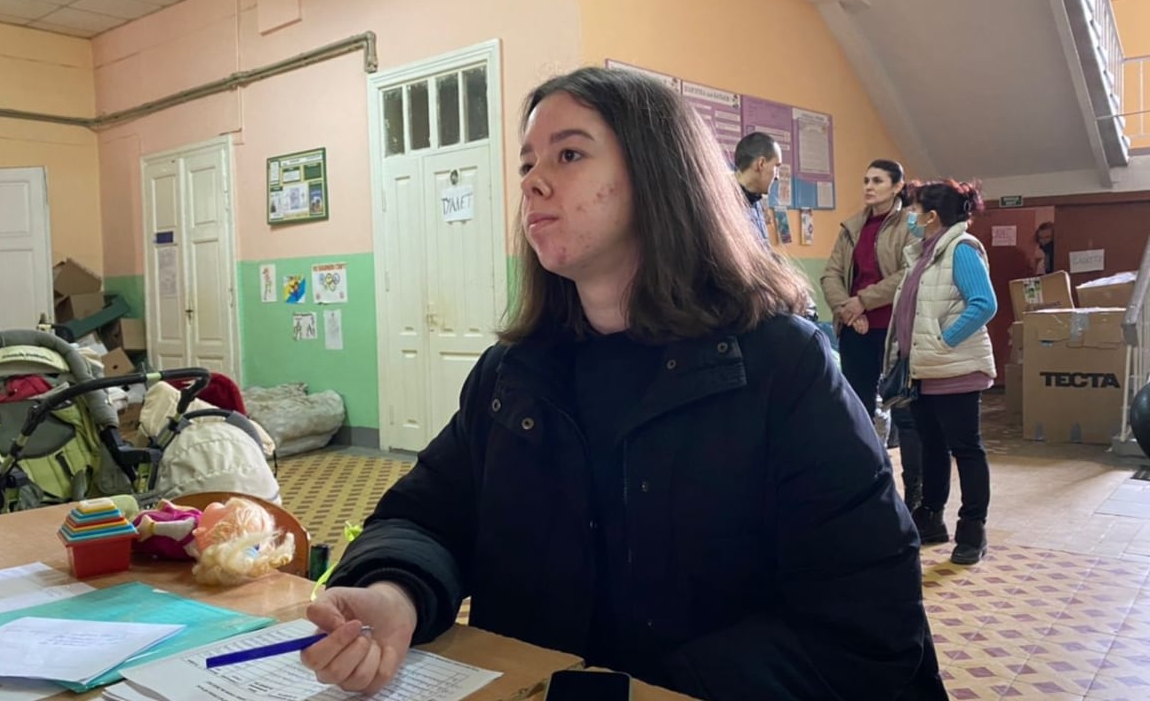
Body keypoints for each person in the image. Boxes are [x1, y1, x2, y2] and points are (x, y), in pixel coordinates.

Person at [302, 67, 947, 700]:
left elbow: (866, 624)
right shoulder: (512, 373)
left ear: (659, 176)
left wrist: (637, 693)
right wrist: (395, 592)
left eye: (568, 154)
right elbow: (425, 516)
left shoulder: (783, 365)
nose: (532, 183)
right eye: (527, 163)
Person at [882, 179, 998, 566]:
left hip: (954, 370)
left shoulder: (960, 249)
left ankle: (972, 530)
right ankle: (931, 518)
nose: (909, 217)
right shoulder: (923, 254)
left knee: (966, 449)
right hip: (924, 371)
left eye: (914, 211)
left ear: (931, 216)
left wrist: (942, 341)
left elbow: (984, 304)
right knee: (932, 447)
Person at [820, 161, 923, 510]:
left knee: (905, 413)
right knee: (856, 410)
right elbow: (831, 274)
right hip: (856, 328)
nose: (868, 186)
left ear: (897, 187)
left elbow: (908, 273)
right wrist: (848, 310)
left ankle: (915, 496)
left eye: (877, 181)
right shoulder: (852, 226)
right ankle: (865, 486)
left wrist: (863, 300)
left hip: (895, 329)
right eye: (866, 180)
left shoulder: (910, 224)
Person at [733, 132, 781, 246]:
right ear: (761, 164)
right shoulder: (721, 204)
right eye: (776, 166)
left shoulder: (755, 201)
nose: (777, 177)